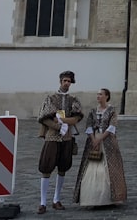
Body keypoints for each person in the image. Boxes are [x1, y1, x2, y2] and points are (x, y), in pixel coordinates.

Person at [36, 70, 84, 214]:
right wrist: (57, 126)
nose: (67, 83)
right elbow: (44, 118)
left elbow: (76, 118)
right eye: (65, 81)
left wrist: (62, 120)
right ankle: (42, 202)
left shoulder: (73, 100)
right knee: (46, 167)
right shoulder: (51, 98)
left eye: (69, 81)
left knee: (63, 167)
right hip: (52, 137)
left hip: (67, 137)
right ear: (60, 81)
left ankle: (56, 199)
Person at [73, 87, 127, 208]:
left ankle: (109, 198)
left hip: (108, 142)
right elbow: (89, 126)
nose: (98, 96)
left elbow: (112, 127)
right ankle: (92, 198)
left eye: (100, 94)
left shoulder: (112, 110)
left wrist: (100, 139)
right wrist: (93, 140)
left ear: (106, 96)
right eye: (97, 94)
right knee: (92, 165)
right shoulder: (93, 111)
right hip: (94, 142)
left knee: (109, 167)